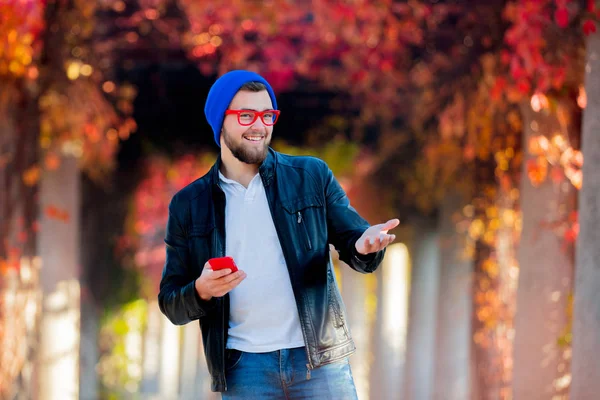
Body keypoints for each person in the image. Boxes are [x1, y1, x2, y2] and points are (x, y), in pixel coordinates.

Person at [158, 70, 399, 399]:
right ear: (220, 122)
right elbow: (171, 303)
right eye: (246, 115)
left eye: (267, 115)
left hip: (319, 360)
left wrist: (366, 245)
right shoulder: (189, 205)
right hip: (244, 369)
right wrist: (200, 290)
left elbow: (354, 238)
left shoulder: (310, 176)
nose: (259, 126)